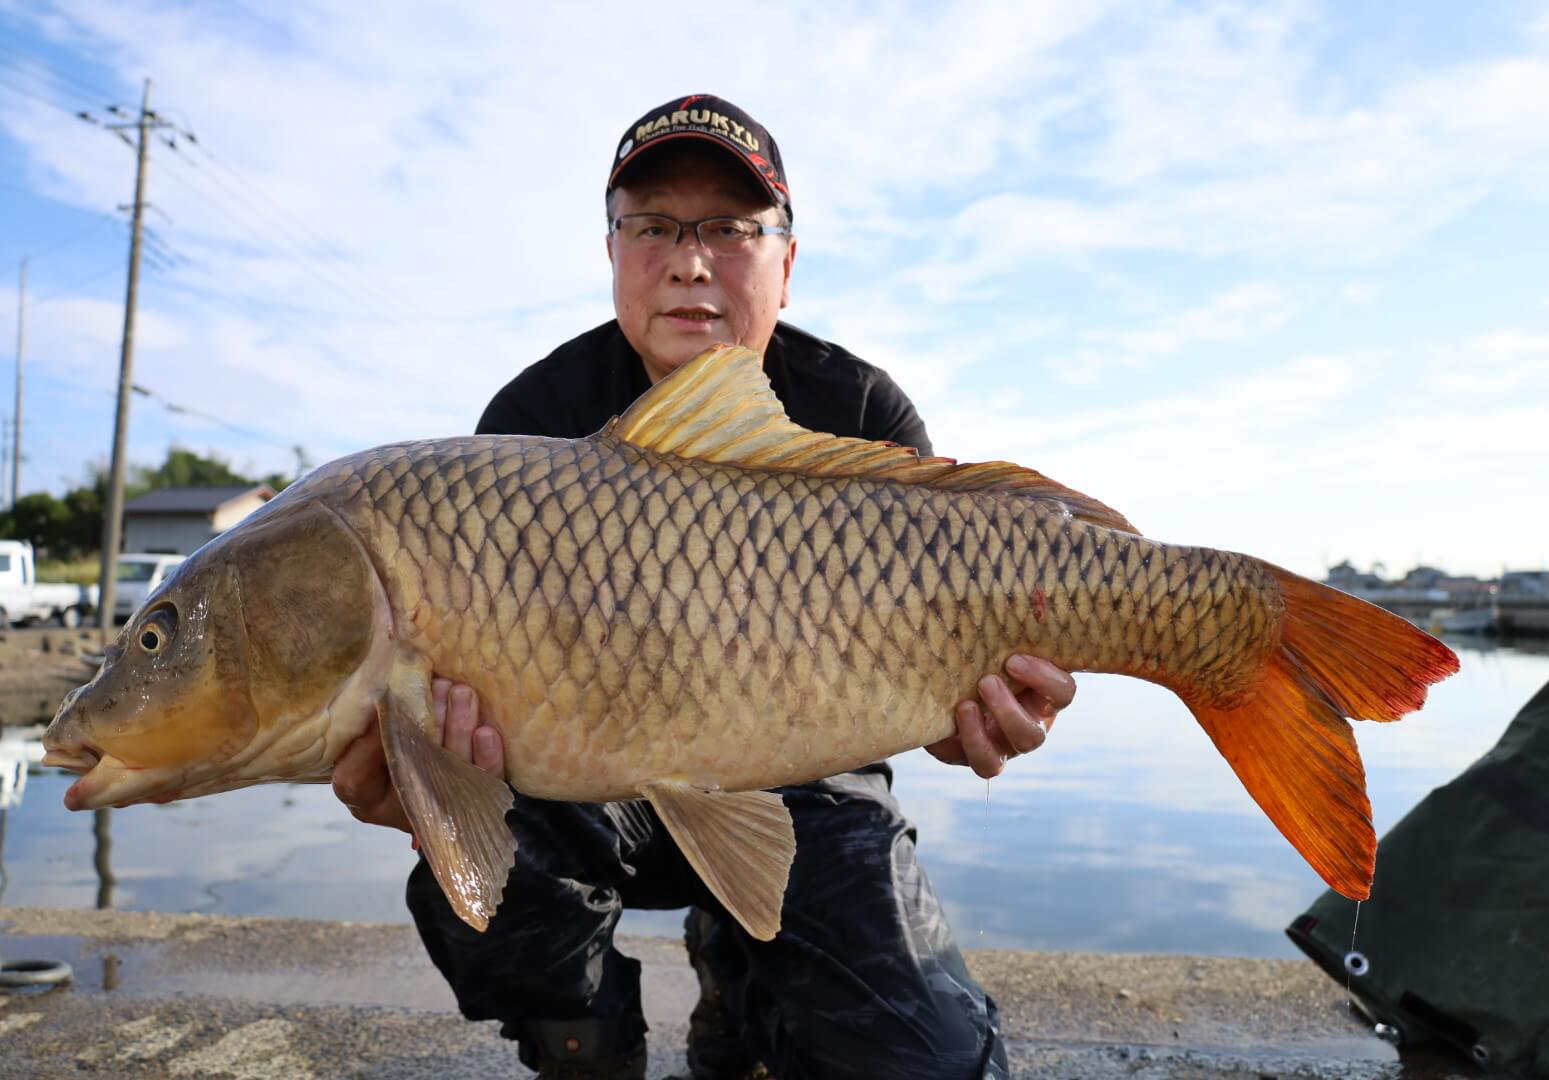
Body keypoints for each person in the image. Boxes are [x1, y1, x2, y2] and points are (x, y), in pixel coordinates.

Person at [332, 94, 1078, 1080]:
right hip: (590, 784)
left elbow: (935, 680)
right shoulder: (530, 421)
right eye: (653, 227)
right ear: (613, 252)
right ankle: (586, 1040)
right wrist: (429, 782)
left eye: (729, 229)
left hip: (809, 777)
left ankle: (744, 986)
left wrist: (966, 715)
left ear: (786, 261)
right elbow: (455, 725)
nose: (690, 260)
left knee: (925, 1059)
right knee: (483, 903)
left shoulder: (860, 408)